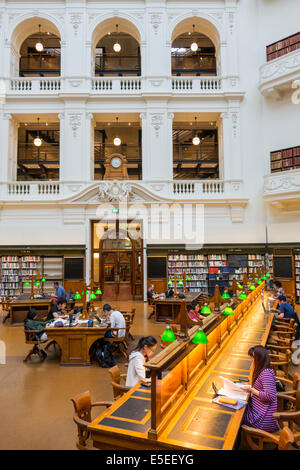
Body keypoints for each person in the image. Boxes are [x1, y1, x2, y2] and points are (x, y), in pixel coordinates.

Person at [241, 345, 279, 433]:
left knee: (237, 415)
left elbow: (270, 396)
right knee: (240, 408)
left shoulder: (266, 373)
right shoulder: (263, 370)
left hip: (262, 419)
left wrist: (251, 390)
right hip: (260, 412)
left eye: (253, 359)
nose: (252, 361)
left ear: (259, 359)